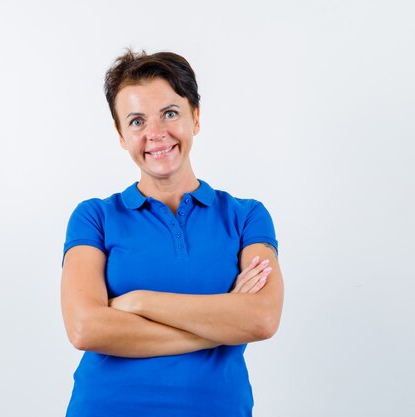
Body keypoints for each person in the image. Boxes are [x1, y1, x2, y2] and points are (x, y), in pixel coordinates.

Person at [60, 49, 284, 417]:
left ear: (195, 117)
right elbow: (85, 328)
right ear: (120, 135)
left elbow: (261, 319)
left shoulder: (247, 217)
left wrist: (140, 302)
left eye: (169, 113)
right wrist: (223, 324)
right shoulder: (94, 217)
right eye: (136, 121)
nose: (155, 134)